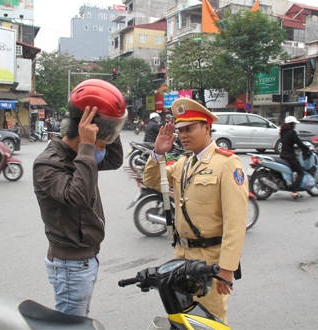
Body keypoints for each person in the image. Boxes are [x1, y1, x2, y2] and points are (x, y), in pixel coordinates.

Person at [143, 98, 248, 325]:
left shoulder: (227, 163)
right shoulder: (184, 163)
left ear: (207, 128)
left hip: (210, 260)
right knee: (185, 319)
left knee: (210, 320)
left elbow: (236, 222)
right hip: (182, 256)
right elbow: (152, 180)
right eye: (180, 130)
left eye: (189, 129)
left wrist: (227, 268)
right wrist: (158, 154)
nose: (183, 135)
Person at [33, 79, 126, 317]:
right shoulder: (49, 163)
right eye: (108, 130)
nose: (110, 136)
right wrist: (87, 145)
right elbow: (78, 197)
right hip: (70, 266)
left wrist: (108, 128)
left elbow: (114, 161)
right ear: (87, 129)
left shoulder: (83, 155)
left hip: (85, 260)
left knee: (79, 322)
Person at [280, 116, 310, 199]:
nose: (296, 125)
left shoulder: (283, 132)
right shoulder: (292, 133)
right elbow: (300, 143)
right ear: (292, 124)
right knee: (301, 173)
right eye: (295, 123)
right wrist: (308, 148)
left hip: (283, 155)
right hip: (290, 156)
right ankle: (294, 191)